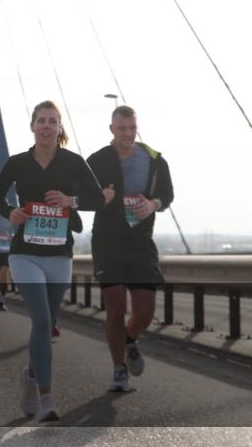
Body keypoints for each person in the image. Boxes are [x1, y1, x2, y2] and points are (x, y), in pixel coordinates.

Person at [0, 100, 104, 422]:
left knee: (48, 324)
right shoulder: (18, 163)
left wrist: (73, 201)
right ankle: (46, 398)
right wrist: (8, 212)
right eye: (41, 120)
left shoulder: (73, 162)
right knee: (41, 322)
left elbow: (97, 199)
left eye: (52, 121)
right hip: (25, 253)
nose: (46, 126)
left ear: (59, 128)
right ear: (32, 126)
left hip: (59, 255)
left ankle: (30, 374)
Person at [87, 105, 173, 393]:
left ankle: (129, 340)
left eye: (131, 128)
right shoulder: (97, 160)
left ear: (137, 128)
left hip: (140, 242)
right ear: (111, 129)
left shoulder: (154, 159)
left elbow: (167, 194)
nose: (127, 133)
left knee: (145, 311)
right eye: (121, 128)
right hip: (108, 242)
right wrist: (101, 197)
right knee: (115, 306)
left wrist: (153, 205)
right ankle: (118, 369)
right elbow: (83, 197)